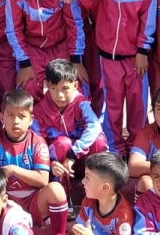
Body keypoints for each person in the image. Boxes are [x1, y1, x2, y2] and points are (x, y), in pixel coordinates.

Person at [79, 0, 158, 151]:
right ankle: (114, 149)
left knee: (138, 107)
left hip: (136, 57)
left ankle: (137, 149)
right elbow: (88, 5)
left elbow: (148, 18)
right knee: (111, 106)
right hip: (107, 55)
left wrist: (143, 51)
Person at [0, 88, 70, 235]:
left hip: (32, 201)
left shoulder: (37, 142)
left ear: (31, 119)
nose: (16, 121)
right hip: (3, 201)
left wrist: (13, 170)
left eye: (21, 116)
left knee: (55, 190)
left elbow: (43, 180)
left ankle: (58, 233)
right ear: (1, 118)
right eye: (10, 115)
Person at [6, 0, 86, 99]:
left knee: (72, 86)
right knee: (28, 86)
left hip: (60, 45)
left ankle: (73, 122)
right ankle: (36, 123)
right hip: (32, 48)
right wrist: (25, 63)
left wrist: (76, 59)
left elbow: (74, 24)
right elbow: (13, 30)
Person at [34, 59, 108, 187]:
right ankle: (63, 193)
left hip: (80, 157)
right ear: (47, 85)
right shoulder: (39, 110)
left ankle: (96, 186)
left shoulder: (81, 103)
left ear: (75, 85)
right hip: (57, 163)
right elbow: (38, 143)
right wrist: (50, 163)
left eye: (65, 88)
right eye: (53, 88)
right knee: (62, 143)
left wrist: (73, 154)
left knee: (99, 140)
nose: (60, 95)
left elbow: (95, 126)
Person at [74, 152, 134, 235]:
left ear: (105, 188)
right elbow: (80, 229)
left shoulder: (124, 216)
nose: (83, 181)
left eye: (87, 178)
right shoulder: (88, 202)